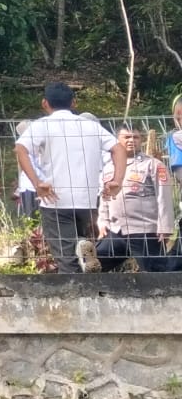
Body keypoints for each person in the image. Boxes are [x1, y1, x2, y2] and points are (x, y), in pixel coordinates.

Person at [14, 82, 125, 274]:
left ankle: (75, 295)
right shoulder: (90, 125)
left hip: (55, 201)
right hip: (89, 200)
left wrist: (37, 183)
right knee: (82, 241)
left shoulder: (42, 125)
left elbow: (20, 149)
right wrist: (117, 180)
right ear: (74, 103)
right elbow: (118, 149)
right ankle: (83, 247)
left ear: (45, 103)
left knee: (66, 260)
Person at [93, 127, 173, 272]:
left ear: (140, 140)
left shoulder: (153, 165)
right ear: (118, 140)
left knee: (157, 275)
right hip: (117, 230)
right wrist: (102, 221)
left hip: (144, 231)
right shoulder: (109, 168)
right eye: (127, 137)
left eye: (135, 137)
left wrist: (165, 226)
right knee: (93, 265)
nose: (131, 141)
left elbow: (164, 196)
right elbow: (105, 198)